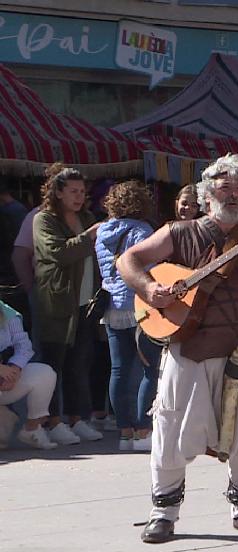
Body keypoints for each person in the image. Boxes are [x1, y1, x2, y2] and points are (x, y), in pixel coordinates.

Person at [118, 153, 238, 543]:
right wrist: (148, 288)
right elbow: (130, 260)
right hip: (187, 346)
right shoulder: (179, 232)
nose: (233, 193)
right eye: (224, 187)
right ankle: (163, 512)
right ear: (207, 194)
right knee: (171, 429)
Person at [32, 164, 104, 446]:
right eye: (73, 191)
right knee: (53, 365)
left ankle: (78, 418)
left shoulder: (86, 217)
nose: (78, 196)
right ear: (58, 192)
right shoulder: (44, 219)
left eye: (82, 191)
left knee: (79, 364)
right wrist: (89, 236)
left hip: (86, 302)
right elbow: (57, 253)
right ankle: (52, 421)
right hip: (57, 302)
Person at [95, 180, 163, 451]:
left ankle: (124, 431)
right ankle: (143, 430)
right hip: (139, 304)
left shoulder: (102, 232)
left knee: (119, 369)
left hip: (112, 305)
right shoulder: (143, 231)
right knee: (150, 368)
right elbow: (151, 267)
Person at [0, 299, 58, 450]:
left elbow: (23, 345)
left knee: (44, 373)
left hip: (5, 381)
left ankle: (32, 429)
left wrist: (15, 369)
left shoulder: (7, 313)